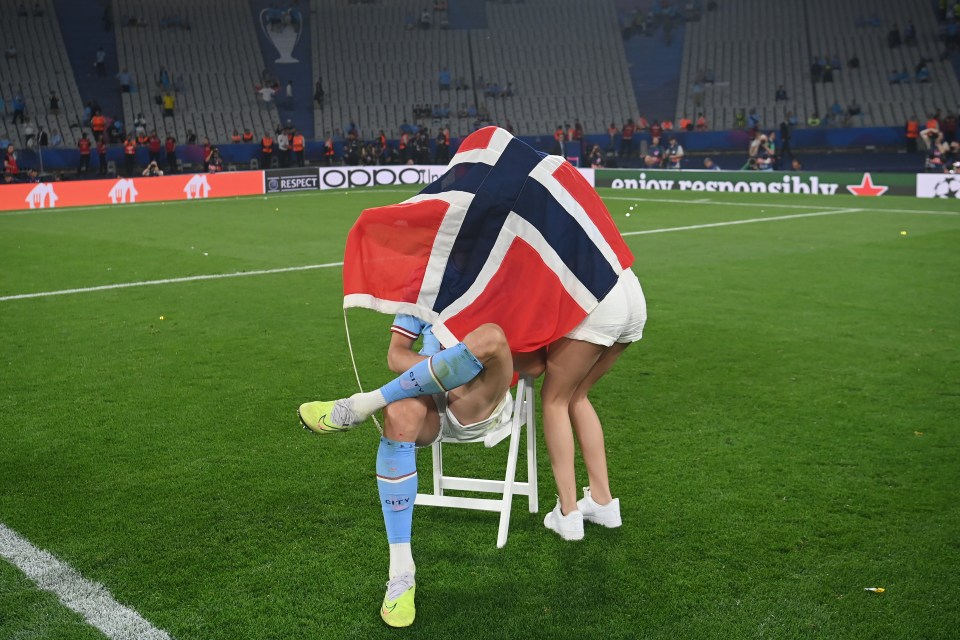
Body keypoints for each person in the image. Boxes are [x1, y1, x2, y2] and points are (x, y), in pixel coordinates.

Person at [298, 320, 544, 628]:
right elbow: (395, 357)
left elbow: (536, 363)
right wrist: (443, 370)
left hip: (480, 398)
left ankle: (364, 403)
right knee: (399, 413)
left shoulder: (505, 280)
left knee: (492, 335)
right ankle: (401, 573)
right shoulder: (425, 283)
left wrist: (467, 364)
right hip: (428, 395)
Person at [539, 263, 647, 541]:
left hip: (598, 296)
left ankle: (568, 512)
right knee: (577, 395)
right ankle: (603, 503)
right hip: (629, 289)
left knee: (554, 400)